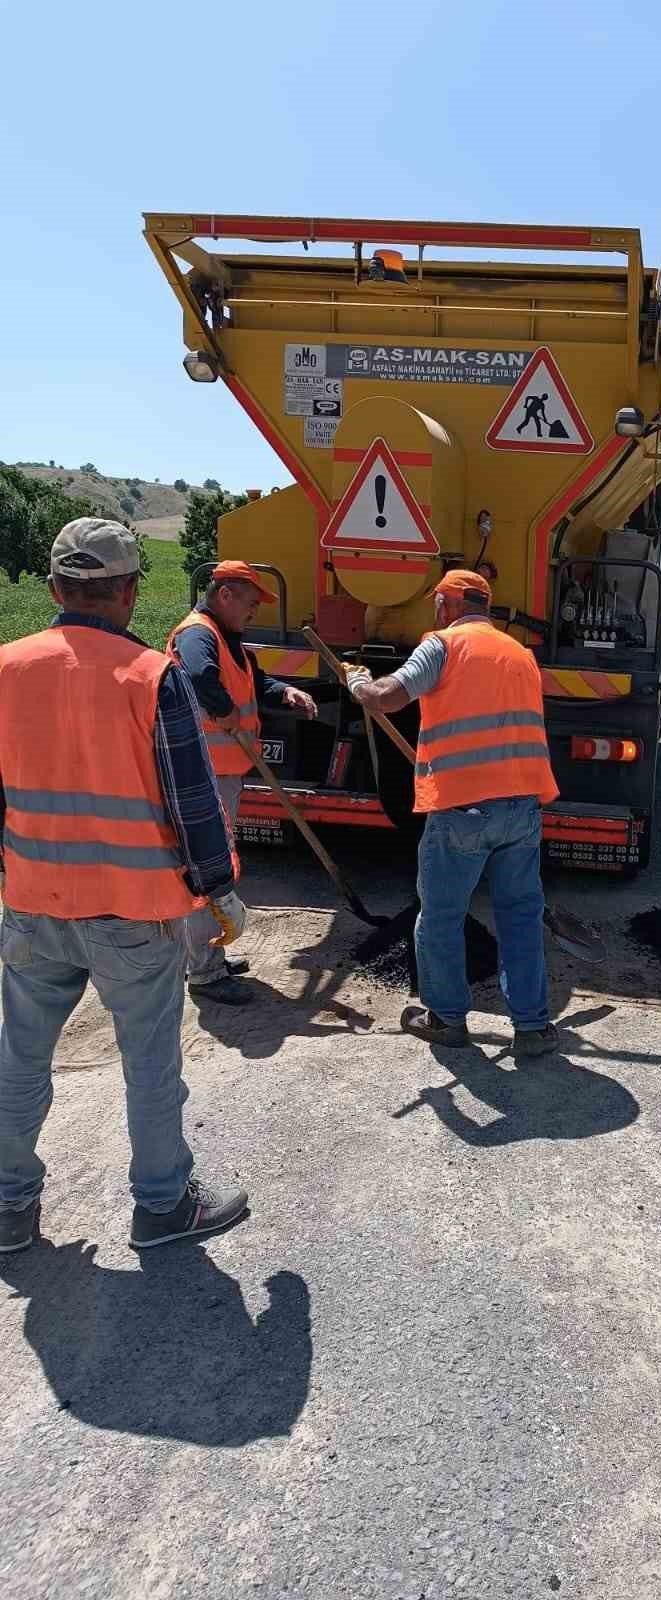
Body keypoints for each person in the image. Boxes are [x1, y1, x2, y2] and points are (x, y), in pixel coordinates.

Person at [0, 519, 249, 1253]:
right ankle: (164, 1204)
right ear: (131, 592)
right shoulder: (151, 675)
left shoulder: (6, 667)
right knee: (149, 1063)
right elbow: (192, 799)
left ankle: (10, 1209)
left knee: (19, 1056)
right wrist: (218, 888)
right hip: (132, 913)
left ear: (53, 589)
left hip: (33, 902)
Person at [346, 570, 560, 1056]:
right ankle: (532, 1026)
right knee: (521, 917)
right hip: (522, 808)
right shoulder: (520, 654)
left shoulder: (442, 645)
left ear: (446, 604)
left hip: (464, 809)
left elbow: (388, 698)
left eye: (435, 604)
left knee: (441, 916)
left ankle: (445, 1018)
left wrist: (359, 682)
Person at [168, 561, 317, 1005]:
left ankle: (207, 957)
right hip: (206, 775)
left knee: (213, 868)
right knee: (207, 871)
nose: (254, 613)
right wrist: (223, 711)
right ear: (225, 594)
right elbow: (198, 678)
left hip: (223, 771)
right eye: (250, 604)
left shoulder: (226, 639)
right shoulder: (198, 634)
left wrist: (284, 692)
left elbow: (255, 682)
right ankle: (206, 974)